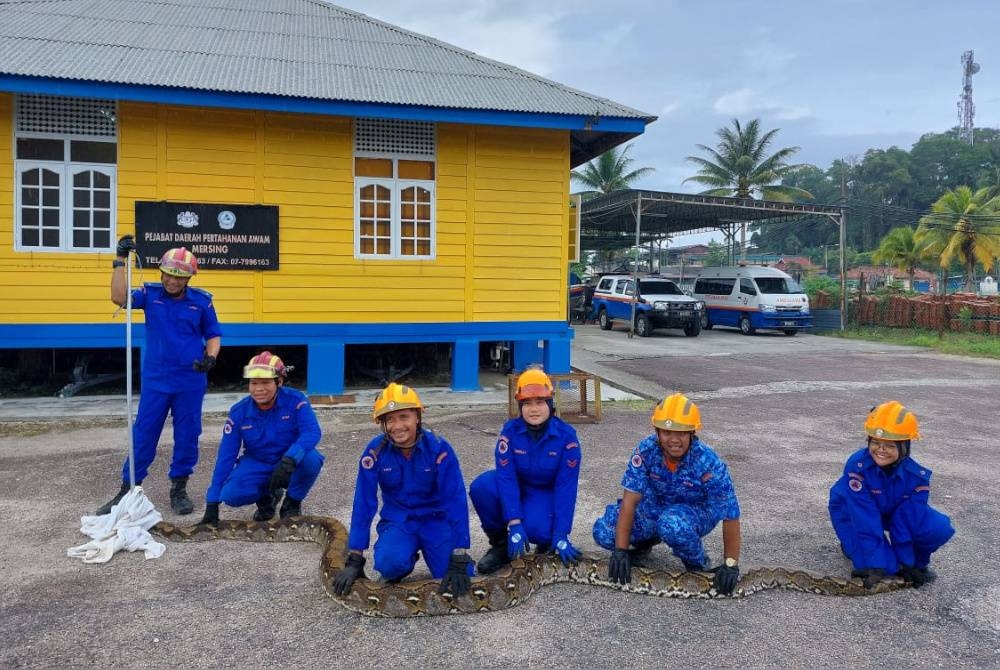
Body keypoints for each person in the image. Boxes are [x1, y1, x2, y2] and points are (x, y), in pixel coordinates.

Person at [95, 236, 222, 516]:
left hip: (190, 380)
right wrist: (119, 261)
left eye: (179, 278)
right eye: (168, 275)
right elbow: (118, 297)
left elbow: (213, 334)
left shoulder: (201, 302)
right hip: (157, 380)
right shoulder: (150, 294)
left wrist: (211, 358)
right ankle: (128, 489)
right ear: (161, 273)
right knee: (144, 433)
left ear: (188, 278)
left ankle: (179, 487)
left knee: (188, 434)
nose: (172, 282)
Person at [593, 393, 743, 596]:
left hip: (696, 512)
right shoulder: (646, 452)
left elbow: (730, 514)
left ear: (692, 432)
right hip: (655, 506)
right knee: (603, 531)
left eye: (681, 433)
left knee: (672, 524)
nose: (674, 439)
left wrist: (731, 563)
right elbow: (630, 500)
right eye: (666, 432)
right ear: (657, 431)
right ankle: (644, 543)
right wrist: (620, 550)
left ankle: (698, 564)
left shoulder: (708, 462)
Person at [331, 384, 472, 597]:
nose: (397, 426)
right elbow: (364, 502)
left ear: (417, 417)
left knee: (461, 579)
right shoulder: (374, 452)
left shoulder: (439, 448)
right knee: (389, 563)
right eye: (389, 419)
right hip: (399, 522)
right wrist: (355, 557)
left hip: (436, 520)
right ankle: (405, 559)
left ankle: (439, 551)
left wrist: (460, 551)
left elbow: (455, 499)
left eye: (403, 417)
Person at [828, 401, 955, 589]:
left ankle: (908, 560)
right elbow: (864, 517)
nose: (880, 450)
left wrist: (909, 563)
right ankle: (853, 548)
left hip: (888, 511)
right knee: (882, 568)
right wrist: (875, 563)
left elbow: (906, 520)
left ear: (904, 447)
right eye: (876, 442)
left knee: (938, 527)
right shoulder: (858, 467)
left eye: (889, 445)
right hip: (851, 510)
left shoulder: (916, 478)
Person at [468, 368, 583, 574]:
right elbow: (506, 477)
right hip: (518, 487)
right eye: (527, 403)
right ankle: (501, 545)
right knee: (482, 487)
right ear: (519, 405)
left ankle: (548, 541)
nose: (534, 409)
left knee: (540, 531)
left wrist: (561, 532)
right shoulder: (510, 433)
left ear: (550, 403)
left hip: (544, 493)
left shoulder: (567, 439)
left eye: (540, 402)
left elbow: (566, 487)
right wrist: (514, 522)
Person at [198, 352, 324, 525]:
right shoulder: (238, 412)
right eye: (253, 383)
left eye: (265, 382)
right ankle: (267, 499)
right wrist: (212, 501)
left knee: (312, 460)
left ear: (279, 382)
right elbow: (226, 456)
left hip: (289, 459)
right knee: (230, 495)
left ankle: (292, 503)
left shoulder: (296, 401)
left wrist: (290, 459)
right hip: (258, 462)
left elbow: (312, 432)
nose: (258, 389)